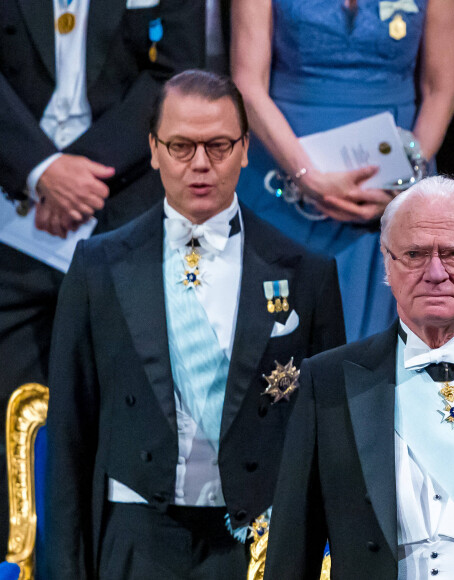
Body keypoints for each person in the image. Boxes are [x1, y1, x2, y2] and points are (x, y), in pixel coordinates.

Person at [45, 70, 345, 580]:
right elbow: (70, 432)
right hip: (133, 530)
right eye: (181, 146)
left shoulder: (307, 273)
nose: (201, 164)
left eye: (219, 145)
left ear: (247, 149)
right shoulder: (98, 266)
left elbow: (328, 436)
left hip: (255, 541)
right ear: (154, 149)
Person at [264, 175, 454, 579]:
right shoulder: (325, 381)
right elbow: (292, 557)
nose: (435, 272)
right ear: (387, 263)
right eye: (414, 254)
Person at [0, 0, 205, 551]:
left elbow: (178, 74)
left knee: (125, 419)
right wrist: (40, 170)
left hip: (120, 207)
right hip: (7, 204)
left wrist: (76, 177)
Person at [231, 0, 454, 342]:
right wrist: (306, 175)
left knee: (369, 356)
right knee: (276, 343)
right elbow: (248, 83)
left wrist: (404, 182)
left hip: (392, 185)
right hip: (283, 172)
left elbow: (440, 90)